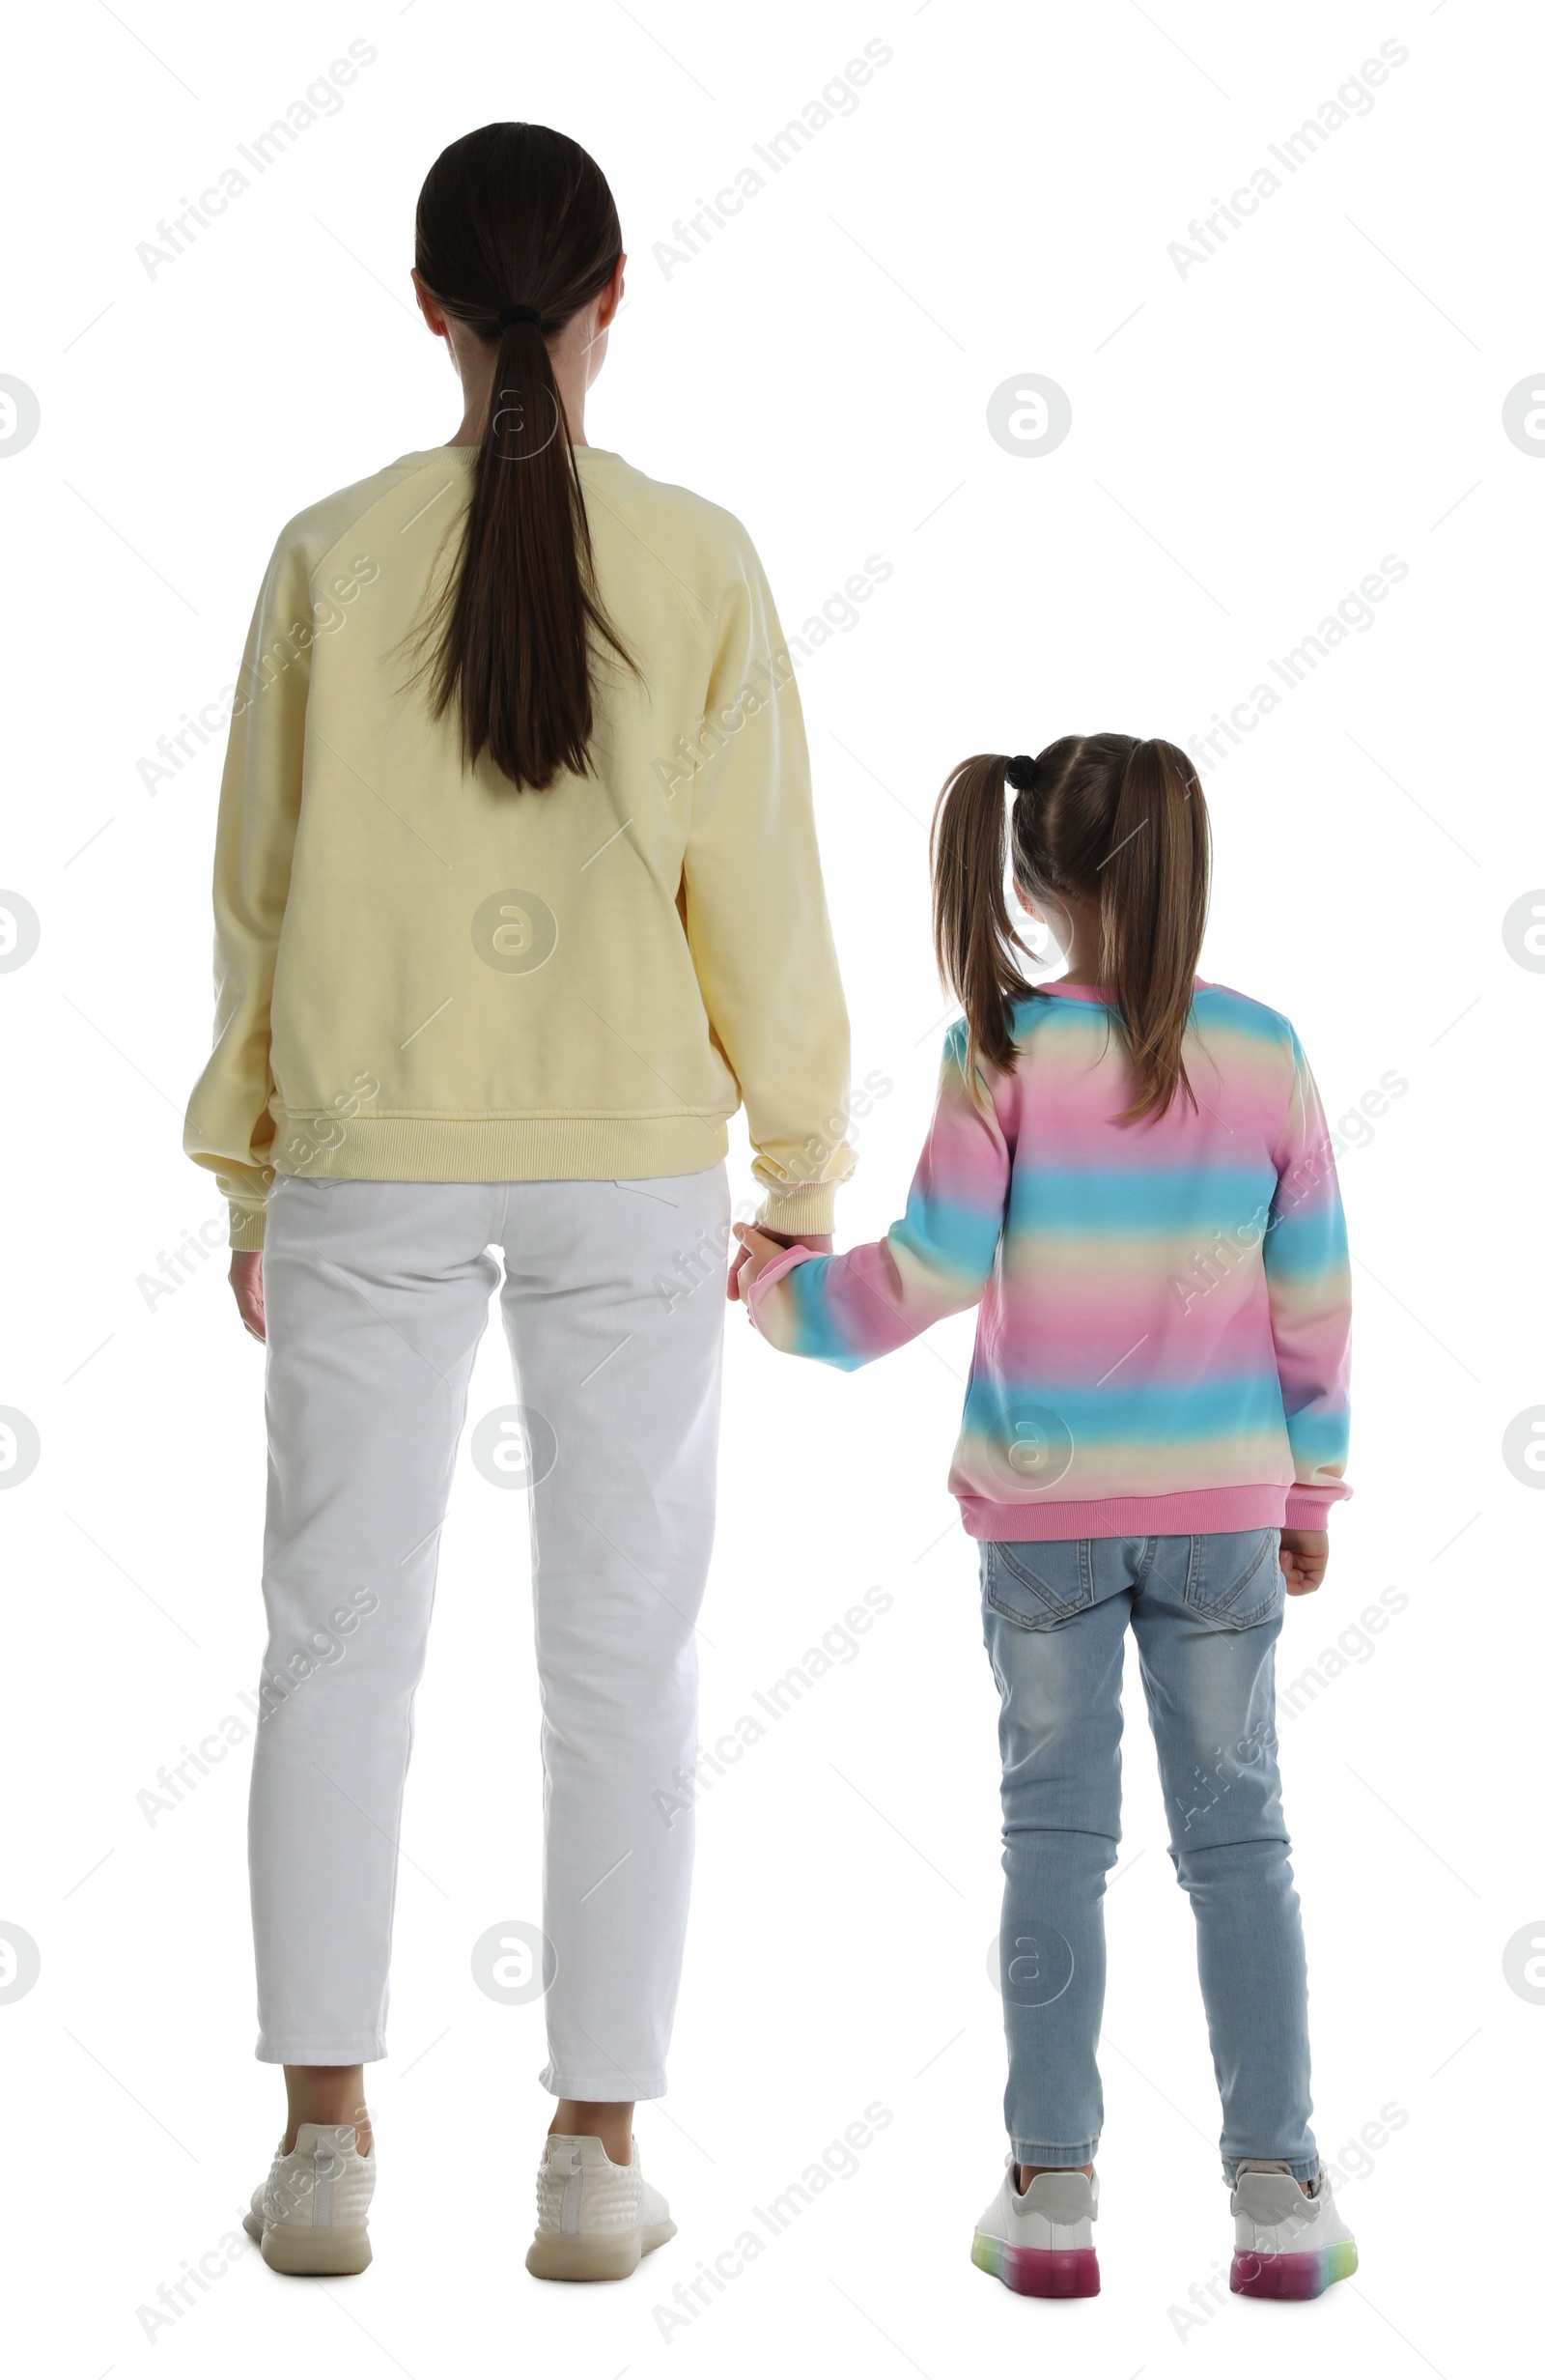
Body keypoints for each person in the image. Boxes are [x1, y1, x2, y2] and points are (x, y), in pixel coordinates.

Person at [183, 120, 854, 2281]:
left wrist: (247, 1161)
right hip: (638, 1159)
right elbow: (762, 888)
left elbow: (258, 891)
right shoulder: (702, 557)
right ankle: (590, 2144)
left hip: (369, 1147)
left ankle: (321, 2147)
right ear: (611, 299)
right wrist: (803, 1165)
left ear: (425, 308)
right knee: (624, 1659)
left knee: (333, 1646)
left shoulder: (319, 552)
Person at [733, 736, 1358, 2302]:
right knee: (1243, 1846)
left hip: (1046, 1532)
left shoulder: (997, 1053)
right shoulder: (1269, 1056)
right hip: (1224, 1520)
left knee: (1052, 1848)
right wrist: (1310, 1482)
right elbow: (1314, 1298)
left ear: (1029, 876)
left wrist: (778, 1300)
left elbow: (925, 1277)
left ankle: (1054, 2194)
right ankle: (1278, 2194)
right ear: (1191, 868)